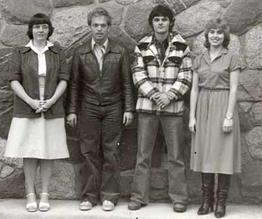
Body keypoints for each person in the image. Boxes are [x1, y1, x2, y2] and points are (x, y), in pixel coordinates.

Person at [66, 7, 135, 211]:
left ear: (109, 27)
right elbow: (74, 84)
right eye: (95, 25)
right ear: (90, 27)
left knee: (111, 151)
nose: (99, 29)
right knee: (88, 152)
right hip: (88, 108)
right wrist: (71, 110)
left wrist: (129, 109)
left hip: (114, 108)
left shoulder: (119, 50)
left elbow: (126, 83)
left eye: (103, 25)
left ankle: (110, 196)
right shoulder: (81, 52)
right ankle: (88, 196)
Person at [128, 4, 192, 212]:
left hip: (172, 109)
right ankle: (139, 197)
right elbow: (138, 73)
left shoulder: (182, 45)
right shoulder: (142, 45)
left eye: (164, 19)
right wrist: (155, 95)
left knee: (176, 156)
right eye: (157, 19)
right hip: (147, 107)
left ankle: (179, 198)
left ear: (170, 22)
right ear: (152, 23)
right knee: (143, 155)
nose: (161, 23)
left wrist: (170, 96)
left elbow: (186, 75)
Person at [4, 13, 70, 212]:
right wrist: (31, 101)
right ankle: (30, 193)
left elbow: (64, 80)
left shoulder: (58, 52)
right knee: (30, 152)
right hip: (27, 107)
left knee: (47, 152)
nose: (41, 30)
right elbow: (14, 80)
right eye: (37, 27)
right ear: (30, 30)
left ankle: (45, 194)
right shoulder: (20, 52)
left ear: (49, 30)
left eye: (44, 27)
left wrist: (50, 101)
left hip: (52, 107)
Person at [189, 18, 241, 218]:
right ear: (207, 35)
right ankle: (206, 200)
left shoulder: (232, 57)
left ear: (224, 36)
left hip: (223, 105)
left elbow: (234, 88)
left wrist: (229, 116)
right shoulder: (199, 58)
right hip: (203, 106)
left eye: (219, 32)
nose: (215, 36)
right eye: (212, 32)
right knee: (205, 152)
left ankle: (221, 202)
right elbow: (194, 89)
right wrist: (192, 117)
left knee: (224, 153)